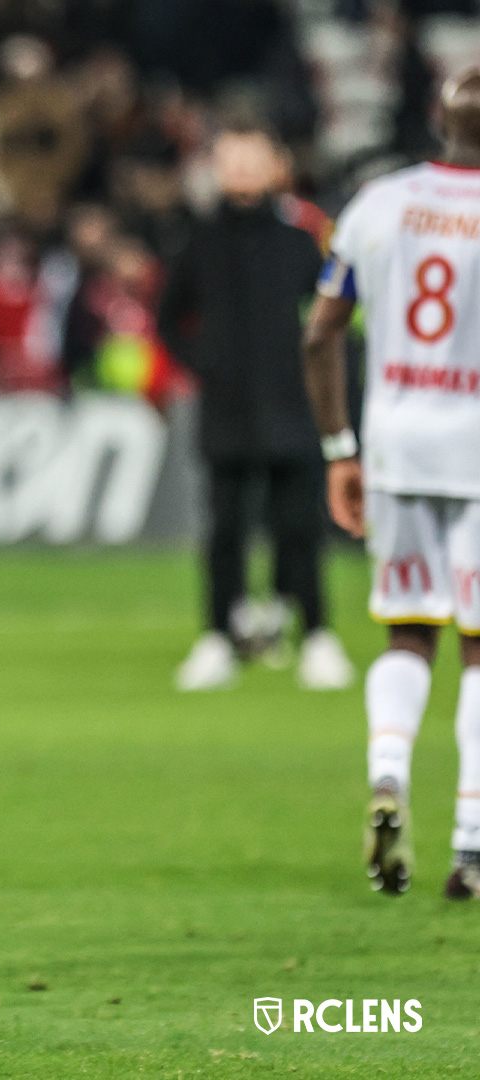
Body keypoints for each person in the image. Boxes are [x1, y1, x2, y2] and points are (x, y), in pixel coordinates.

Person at [305, 67, 480, 898]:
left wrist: (341, 447)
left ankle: (388, 777)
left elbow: (320, 336)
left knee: (408, 632)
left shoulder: (378, 202)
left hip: (396, 446)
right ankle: (473, 847)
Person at [161, 126, 353, 692]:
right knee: (225, 530)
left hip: (292, 406)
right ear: (216, 169)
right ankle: (217, 637)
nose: (242, 170)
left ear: (276, 166)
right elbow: (169, 317)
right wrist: (206, 363)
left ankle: (317, 635)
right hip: (227, 410)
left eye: (253, 159)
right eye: (231, 159)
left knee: (300, 526)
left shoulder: (300, 240)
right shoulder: (197, 241)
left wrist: (317, 377)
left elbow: (335, 317)